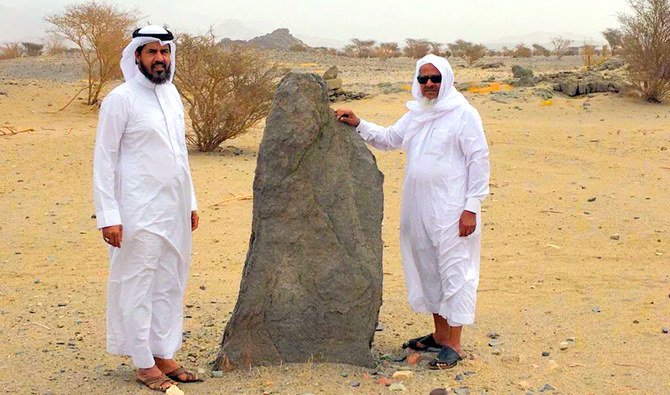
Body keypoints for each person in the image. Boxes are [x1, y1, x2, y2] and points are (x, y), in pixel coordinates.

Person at [336, 54, 490, 369]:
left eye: (435, 79)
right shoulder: (418, 113)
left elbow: (479, 160)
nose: (429, 85)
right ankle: (440, 334)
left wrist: (471, 208)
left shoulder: (464, 114)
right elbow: (391, 138)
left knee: (453, 270)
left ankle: (455, 345)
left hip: (451, 209)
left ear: (446, 79)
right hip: (418, 207)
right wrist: (359, 123)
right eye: (423, 79)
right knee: (428, 268)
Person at [93, 25, 200, 391]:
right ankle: (143, 363)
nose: (160, 59)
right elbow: (103, 161)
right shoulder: (120, 99)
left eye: (164, 52)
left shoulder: (172, 96)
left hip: (174, 207)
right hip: (136, 209)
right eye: (151, 52)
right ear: (136, 56)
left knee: (170, 280)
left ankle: (163, 353)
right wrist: (109, 216)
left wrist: (192, 201)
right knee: (137, 282)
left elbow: (180, 155)